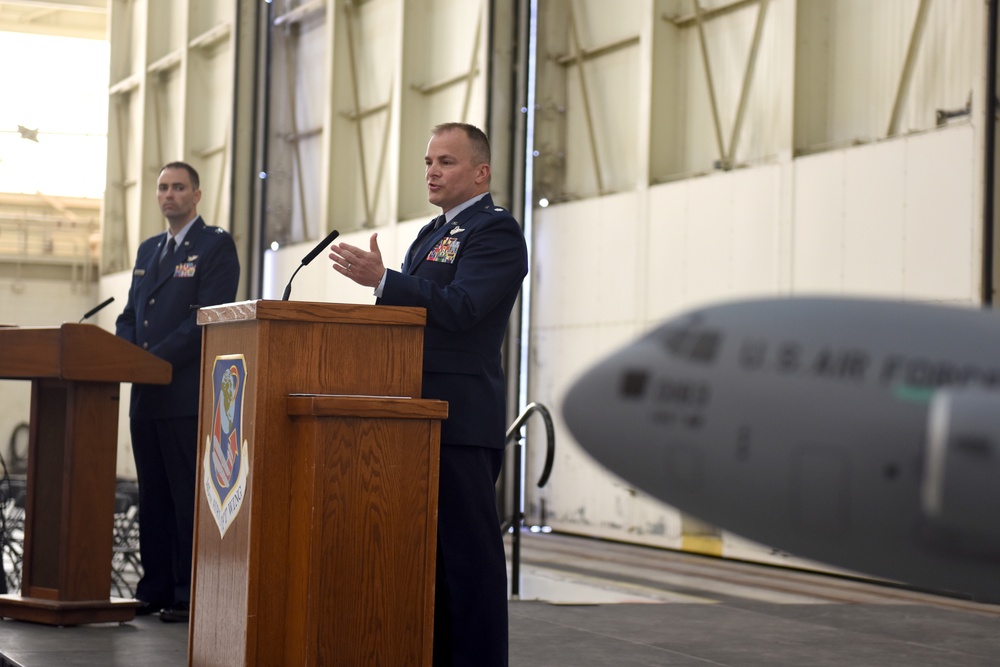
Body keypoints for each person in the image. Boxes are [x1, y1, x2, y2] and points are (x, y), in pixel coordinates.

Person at [329, 122, 527, 666]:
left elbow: (463, 308)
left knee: (468, 561)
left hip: (459, 419)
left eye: (446, 162)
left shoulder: (496, 232)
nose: (432, 172)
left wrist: (385, 281)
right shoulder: (429, 234)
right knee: (426, 560)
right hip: (411, 413)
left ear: (481, 172)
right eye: (428, 162)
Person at [115, 161, 240, 623]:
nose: (169, 195)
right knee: (153, 495)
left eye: (179, 187)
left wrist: (153, 360)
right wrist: (127, 357)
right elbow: (130, 314)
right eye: (163, 188)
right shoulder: (150, 249)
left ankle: (188, 592)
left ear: (197, 194)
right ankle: (155, 587)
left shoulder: (215, 245)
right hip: (146, 393)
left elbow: (205, 318)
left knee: (186, 494)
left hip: (185, 391)